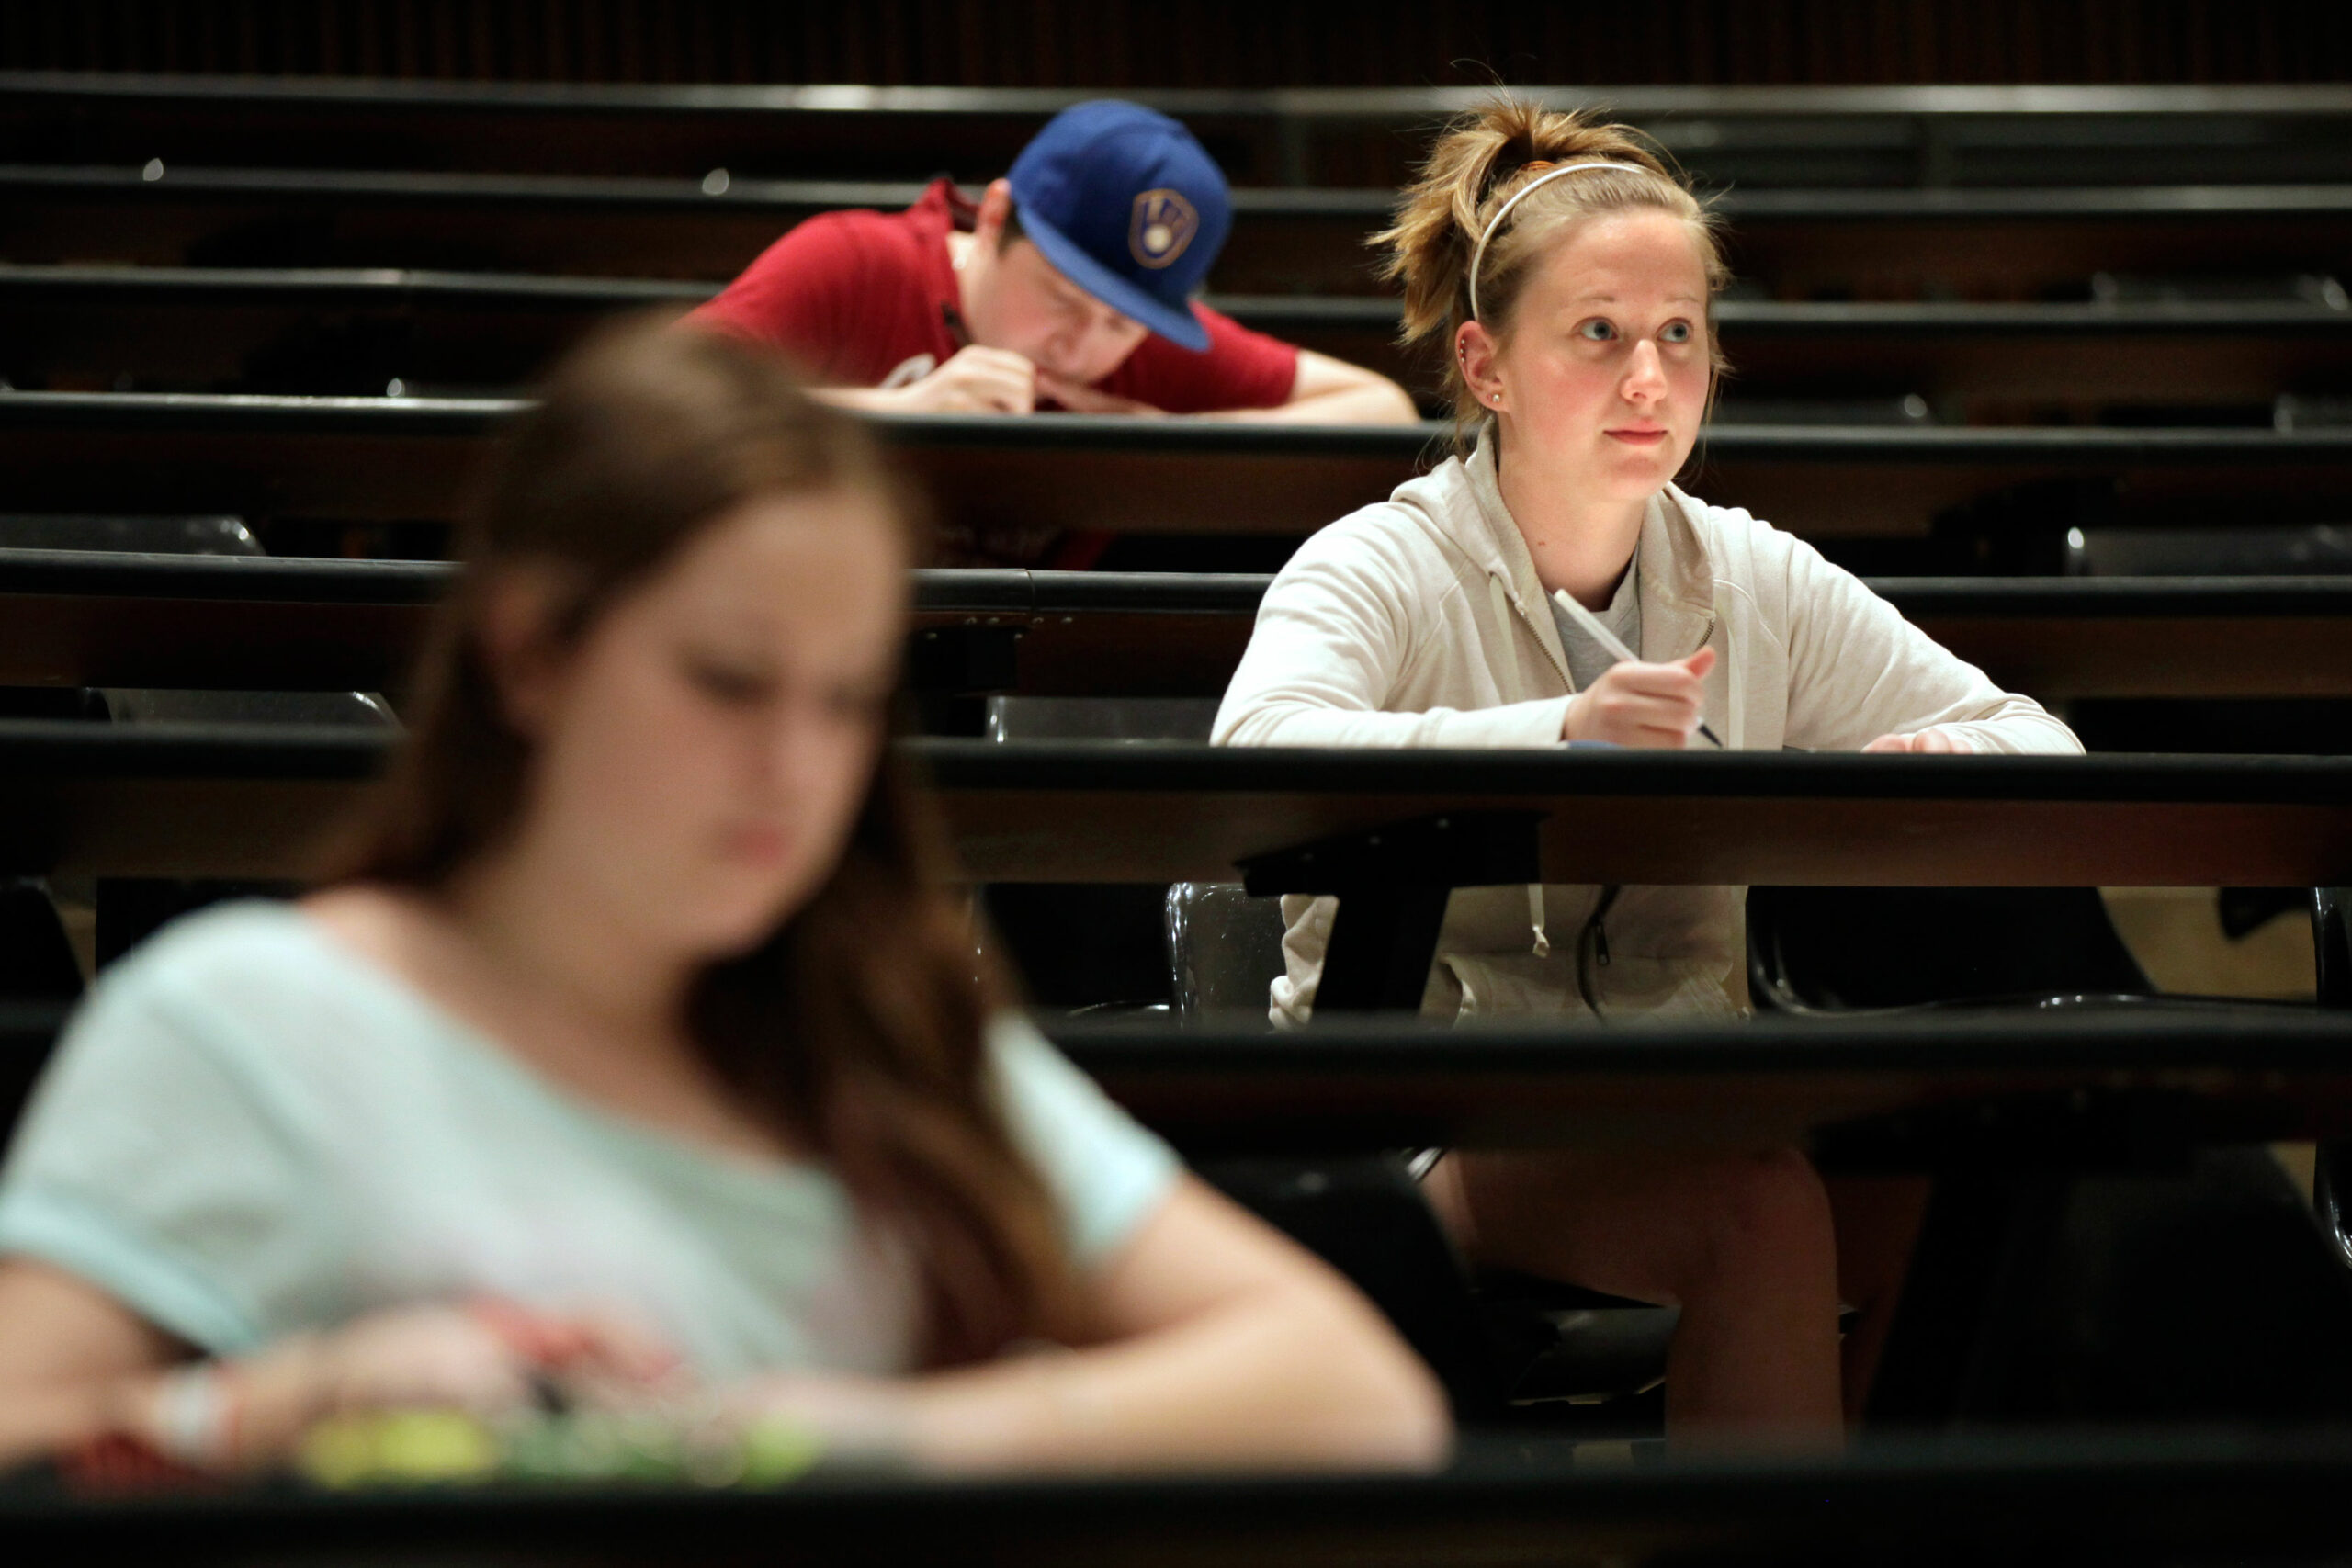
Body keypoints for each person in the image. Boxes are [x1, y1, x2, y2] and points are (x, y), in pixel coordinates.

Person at [0, 321, 1448, 1478]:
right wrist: (277, 1409)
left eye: (845, 701)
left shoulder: (881, 1023)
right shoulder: (249, 1017)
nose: (794, 768)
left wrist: (840, 1438)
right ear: (530, 653)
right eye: (728, 680)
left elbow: (1352, 1390)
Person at [1213, 102, 2084, 1445]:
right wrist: (1556, 733)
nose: (1649, 379)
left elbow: (2036, 737)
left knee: (1992, 1186)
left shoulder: (1751, 570)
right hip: (1418, 1126)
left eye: (1680, 333)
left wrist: (1935, 751)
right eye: (1599, 333)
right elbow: (1253, 756)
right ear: (1484, 364)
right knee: (1761, 1204)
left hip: (1682, 1095)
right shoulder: (1372, 562)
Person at [691, 100, 1417, 428]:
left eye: (1122, 322)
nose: (1085, 346)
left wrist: (1164, 436)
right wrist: (905, 413)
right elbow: (653, 403)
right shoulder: (854, 262)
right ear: (996, 219)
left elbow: (1383, 411)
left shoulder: (1136, 348)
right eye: (1064, 297)